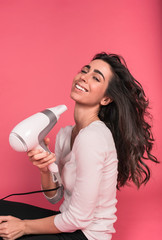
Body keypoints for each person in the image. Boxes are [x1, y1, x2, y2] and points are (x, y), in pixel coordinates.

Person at [0, 52, 158, 240]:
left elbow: (78, 219)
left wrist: (24, 227)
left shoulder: (93, 138)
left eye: (96, 78)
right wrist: (45, 169)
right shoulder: (66, 134)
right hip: (67, 223)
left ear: (106, 99)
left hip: (85, 235)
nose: (84, 77)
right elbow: (55, 197)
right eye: (85, 70)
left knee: (8, 231)